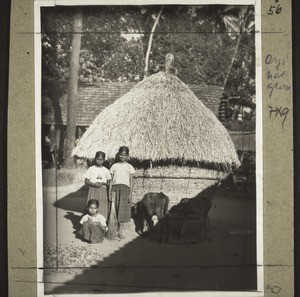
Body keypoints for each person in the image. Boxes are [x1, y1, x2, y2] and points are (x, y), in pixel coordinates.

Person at [109, 146, 135, 240]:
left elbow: (131, 181)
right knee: (114, 209)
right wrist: (109, 191)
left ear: (128, 156)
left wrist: (130, 194)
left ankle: (120, 231)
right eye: (121, 154)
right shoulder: (114, 166)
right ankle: (113, 230)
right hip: (115, 188)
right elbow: (111, 180)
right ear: (118, 154)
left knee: (122, 210)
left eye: (125, 155)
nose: (123, 157)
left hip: (125, 190)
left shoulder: (129, 167)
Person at [84, 151, 111, 219]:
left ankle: (101, 222)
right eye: (98, 159)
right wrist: (93, 184)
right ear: (95, 159)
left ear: (104, 160)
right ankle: (89, 222)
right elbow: (86, 181)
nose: (99, 161)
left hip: (102, 190)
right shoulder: (91, 169)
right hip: (93, 190)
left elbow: (109, 183)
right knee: (91, 205)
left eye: (101, 160)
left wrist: (102, 183)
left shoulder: (106, 170)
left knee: (102, 206)